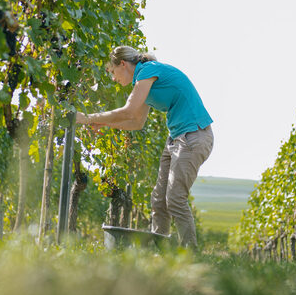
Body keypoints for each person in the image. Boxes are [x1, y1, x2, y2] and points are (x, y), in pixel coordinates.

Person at [75, 46, 213, 247]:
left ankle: (190, 255)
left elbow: (129, 111)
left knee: (175, 198)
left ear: (123, 64)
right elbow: (137, 122)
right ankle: (159, 251)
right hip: (175, 138)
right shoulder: (144, 80)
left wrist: (88, 119)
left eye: (112, 72)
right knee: (159, 200)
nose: (113, 79)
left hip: (193, 136)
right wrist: (104, 123)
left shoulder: (148, 71)